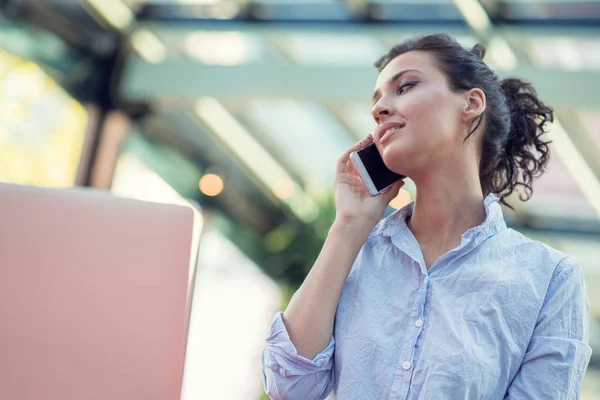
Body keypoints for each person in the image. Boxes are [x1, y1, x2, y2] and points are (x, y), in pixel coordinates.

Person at [261, 33, 592, 399]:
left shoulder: (549, 278)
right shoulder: (355, 256)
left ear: (471, 104)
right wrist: (348, 226)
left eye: (405, 86)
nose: (379, 109)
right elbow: (290, 386)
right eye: (377, 100)